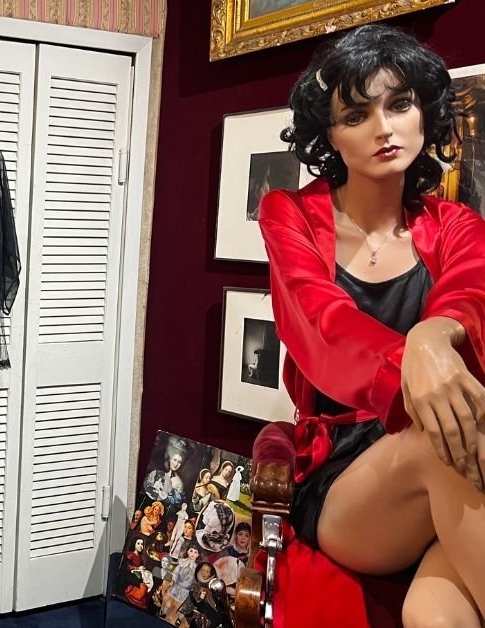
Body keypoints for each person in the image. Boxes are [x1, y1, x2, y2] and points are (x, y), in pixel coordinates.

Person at [262, 23, 485, 626]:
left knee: (436, 615)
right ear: (329, 135)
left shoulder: (456, 222)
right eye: (357, 114)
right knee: (444, 440)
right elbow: (320, 325)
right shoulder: (291, 216)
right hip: (342, 473)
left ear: (423, 114)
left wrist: (434, 333)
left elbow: (471, 296)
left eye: (400, 104)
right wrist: (411, 360)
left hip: (446, 443)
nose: (384, 127)